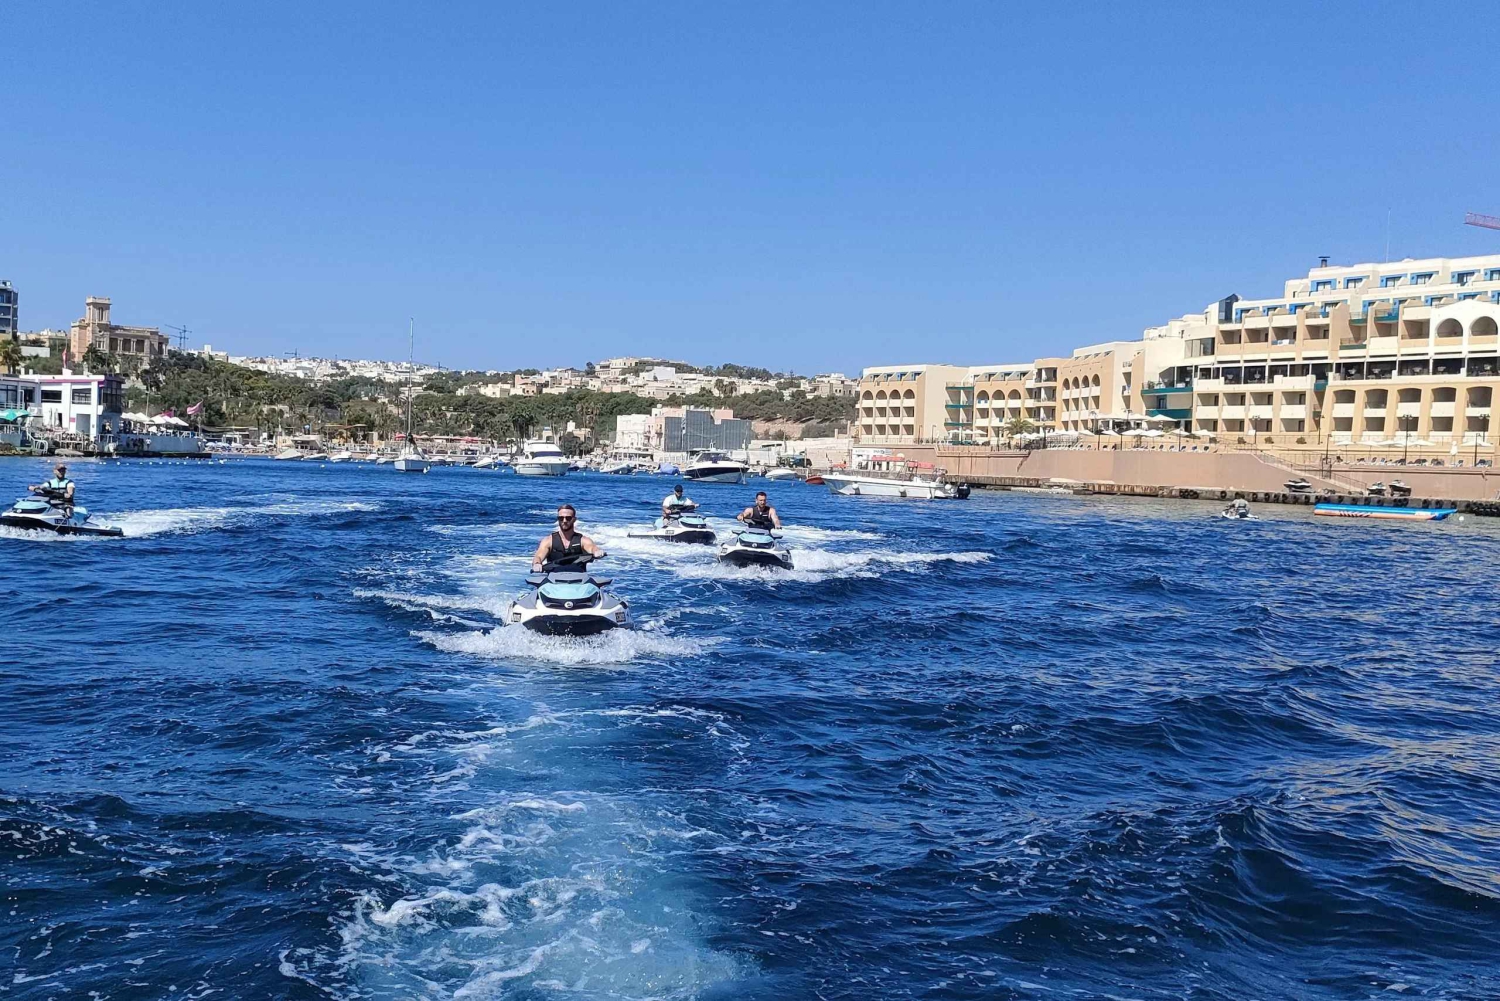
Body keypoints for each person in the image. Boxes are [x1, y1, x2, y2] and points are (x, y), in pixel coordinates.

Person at [532, 504, 606, 571]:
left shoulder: (583, 540)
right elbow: (538, 556)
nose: (564, 521)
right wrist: (537, 564)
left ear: (574, 519)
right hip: (553, 579)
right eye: (561, 518)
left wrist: (597, 552)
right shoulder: (548, 541)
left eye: (568, 518)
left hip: (579, 579)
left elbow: (592, 548)